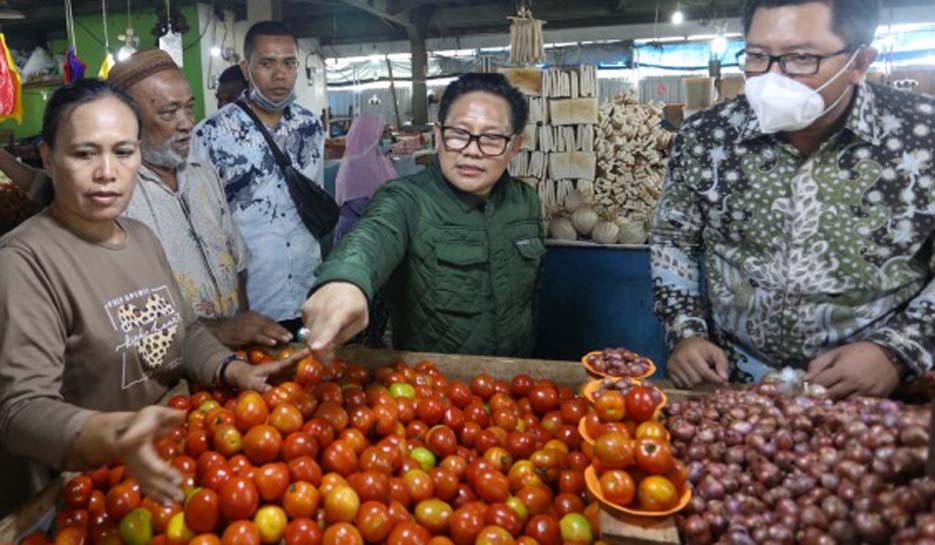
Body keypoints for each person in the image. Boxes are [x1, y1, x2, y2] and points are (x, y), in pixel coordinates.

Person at [0, 79, 309, 515]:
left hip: (164, 462)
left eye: (123, 152)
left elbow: (184, 331)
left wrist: (234, 370)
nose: (107, 171)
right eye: (85, 153)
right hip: (84, 490)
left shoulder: (141, 238)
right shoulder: (25, 261)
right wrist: (114, 433)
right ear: (48, 159)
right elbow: (20, 413)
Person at [650, 0, 935, 398]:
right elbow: (673, 240)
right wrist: (685, 332)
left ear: (859, 62)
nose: (772, 77)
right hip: (733, 384)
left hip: (876, 395)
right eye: (756, 56)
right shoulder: (707, 137)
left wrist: (896, 351)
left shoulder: (922, 136)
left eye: (801, 58)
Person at [0, 49, 292, 349]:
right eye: (169, 112)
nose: (187, 123)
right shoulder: (107, 192)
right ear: (128, 121)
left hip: (226, 359)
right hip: (159, 364)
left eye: (189, 108)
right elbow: (108, 314)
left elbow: (235, 257)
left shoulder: (201, 170)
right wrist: (214, 333)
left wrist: (238, 323)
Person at [301, 73, 544, 360]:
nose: (471, 151)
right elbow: (372, 236)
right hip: (434, 389)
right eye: (459, 134)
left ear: (514, 146)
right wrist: (345, 281)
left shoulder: (525, 202)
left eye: (491, 138)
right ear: (439, 135)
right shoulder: (407, 199)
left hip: (517, 380)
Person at [194, 21, 326, 333]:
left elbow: (315, 199)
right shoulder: (212, 134)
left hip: (309, 287)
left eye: (289, 63)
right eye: (267, 63)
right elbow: (206, 222)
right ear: (246, 67)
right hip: (251, 300)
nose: (280, 74)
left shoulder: (311, 127)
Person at [332, 113, 398, 347]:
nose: (382, 137)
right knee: (359, 287)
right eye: (378, 133)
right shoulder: (354, 163)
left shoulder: (379, 158)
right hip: (356, 234)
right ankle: (356, 340)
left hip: (379, 232)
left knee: (380, 290)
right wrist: (387, 208)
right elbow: (359, 203)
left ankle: (374, 337)